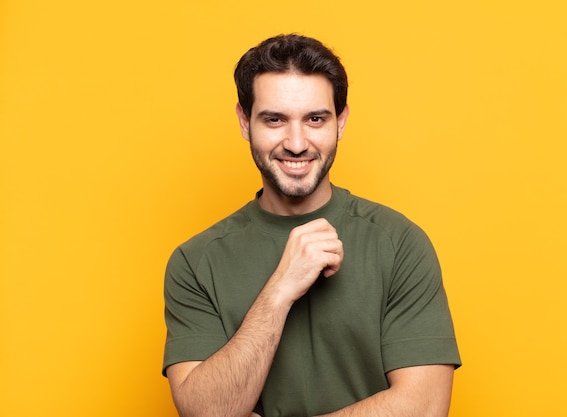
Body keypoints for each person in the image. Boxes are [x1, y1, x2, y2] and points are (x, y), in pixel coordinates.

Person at [162, 34, 461, 417]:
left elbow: (425, 407)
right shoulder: (195, 262)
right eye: (275, 120)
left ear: (341, 122)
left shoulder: (399, 244)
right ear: (244, 121)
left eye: (315, 119)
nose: (297, 143)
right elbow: (206, 413)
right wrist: (280, 289)